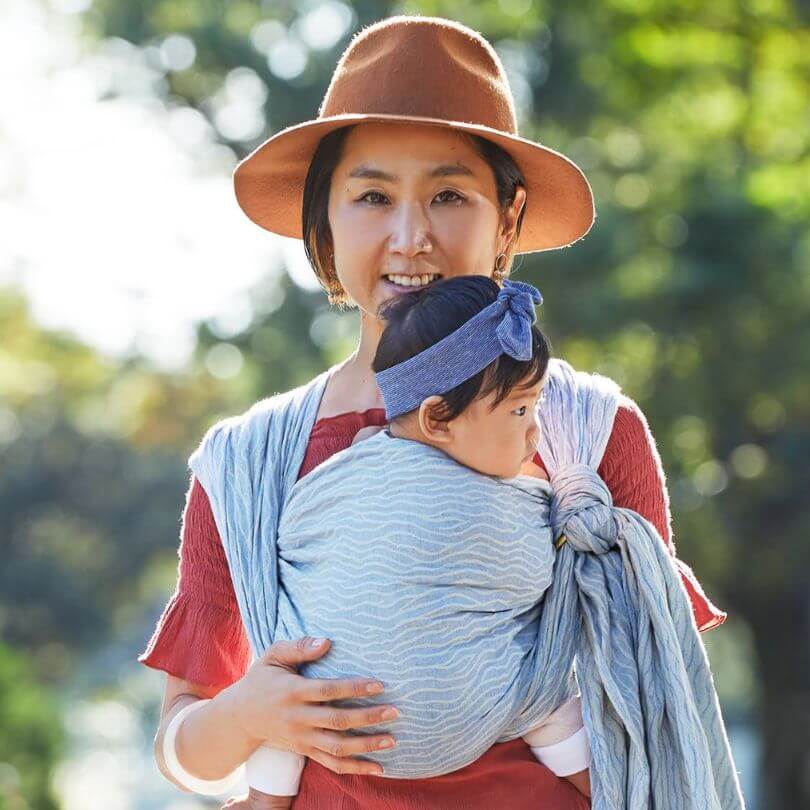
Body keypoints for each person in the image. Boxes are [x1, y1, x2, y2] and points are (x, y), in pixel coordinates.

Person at [139, 15, 727, 810]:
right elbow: (186, 748)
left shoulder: (585, 433)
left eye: (449, 194)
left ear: (508, 219)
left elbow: (661, 696)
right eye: (372, 196)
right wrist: (247, 715)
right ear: (324, 223)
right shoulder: (249, 464)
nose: (411, 236)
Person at [242, 276, 592, 808]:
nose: (535, 432)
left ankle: (265, 800)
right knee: (547, 696)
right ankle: (608, 790)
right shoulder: (506, 502)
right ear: (436, 419)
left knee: (285, 675)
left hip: (331, 718)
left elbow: (295, 539)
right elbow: (533, 577)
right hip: (476, 716)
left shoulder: (335, 474)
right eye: (520, 410)